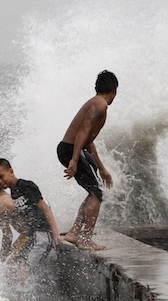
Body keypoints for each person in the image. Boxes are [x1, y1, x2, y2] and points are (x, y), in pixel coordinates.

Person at [57, 70, 118, 251]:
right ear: (114, 91)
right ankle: (85, 238)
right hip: (70, 149)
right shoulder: (100, 105)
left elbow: (88, 141)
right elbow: (83, 132)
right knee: (96, 194)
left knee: (94, 192)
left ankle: (75, 233)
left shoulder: (96, 103)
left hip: (71, 148)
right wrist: (74, 160)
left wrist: (102, 168)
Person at [0, 159, 62, 275]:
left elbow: (45, 207)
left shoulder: (26, 186)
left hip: (42, 235)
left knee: (24, 271)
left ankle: (28, 291)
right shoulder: (14, 192)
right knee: (14, 267)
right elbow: (19, 211)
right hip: (32, 236)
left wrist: (56, 234)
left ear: (11, 171)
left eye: (1, 176)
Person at [0, 171, 29, 262]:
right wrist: (10, 249)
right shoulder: (8, 196)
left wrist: (4, 253)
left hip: (30, 236)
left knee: (12, 268)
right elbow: (25, 230)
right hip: (32, 233)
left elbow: (8, 235)